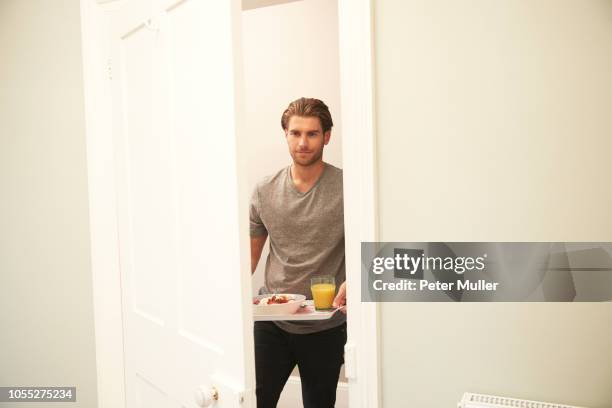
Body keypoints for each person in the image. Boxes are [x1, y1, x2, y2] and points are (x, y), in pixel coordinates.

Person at [250, 97, 347, 408]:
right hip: (272, 321)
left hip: (325, 323)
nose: (302, 142)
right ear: (286, 135)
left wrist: (357, 282)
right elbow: (247, 260)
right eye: (295, 133)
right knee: (257, 401)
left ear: (326, 137)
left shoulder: (349, 187)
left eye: (312, 134)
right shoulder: (264, 190)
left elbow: (370, 246)